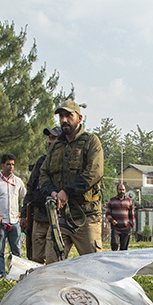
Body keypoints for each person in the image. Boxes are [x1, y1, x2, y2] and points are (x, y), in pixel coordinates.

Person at [40, 99, 104, 263]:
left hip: (86, 216)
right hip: (60, 217)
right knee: (52, 266)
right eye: (61, 116)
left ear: (79, 118)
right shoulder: (56, 146)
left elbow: (94, 172)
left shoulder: (91, 141)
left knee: (94, 266)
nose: (64, 120)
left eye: (69, 115)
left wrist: (67, 192)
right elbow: (43, 174)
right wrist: (53, 192)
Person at [0, 153, 27, 278]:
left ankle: (17, 274)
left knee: (16, 251)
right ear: (2, 165)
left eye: (13, 164)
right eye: (8, 164)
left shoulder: (18, 181)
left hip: (14, 222)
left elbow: (25, 198)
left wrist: (22, 212)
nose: (11, 167)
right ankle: (2, 274)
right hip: (1, 223)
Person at [23, 126, 59, 263]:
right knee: (36, 257)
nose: (50, 141)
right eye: (49, 138)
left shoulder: (65, 162)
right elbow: (31, 188)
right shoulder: (41, 161)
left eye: (53, 138)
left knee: (53, 259)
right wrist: (24, 214)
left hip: (56, 218)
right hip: (38, 217)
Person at [107, 182, 135, 251]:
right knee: (114, 244)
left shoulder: (128, 201)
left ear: (125, 191)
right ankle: (114, 256)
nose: (121, 191)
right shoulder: (112, 200)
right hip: (115, 227)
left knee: (124, 249)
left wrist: (131, 225)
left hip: (126, 228)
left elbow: (131, 214)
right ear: (117, 190)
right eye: (120, 190)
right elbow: (107, 213)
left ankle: (122, 258)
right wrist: (111, 220)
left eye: (123, 190)